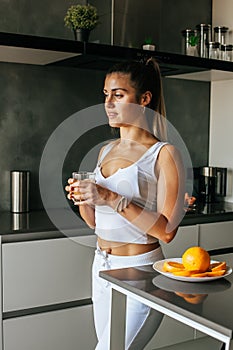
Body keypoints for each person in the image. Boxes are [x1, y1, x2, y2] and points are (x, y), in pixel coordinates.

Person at [65, 58, 185, 349]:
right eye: (106, 95)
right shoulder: (106, 150)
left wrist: (109, 196)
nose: (108, 102)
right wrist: (84, 197)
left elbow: (167, 231)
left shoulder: (164, 154)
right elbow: (95, 222)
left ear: (144, 99)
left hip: (141, 272)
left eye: (118, 94)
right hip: (102, 267)